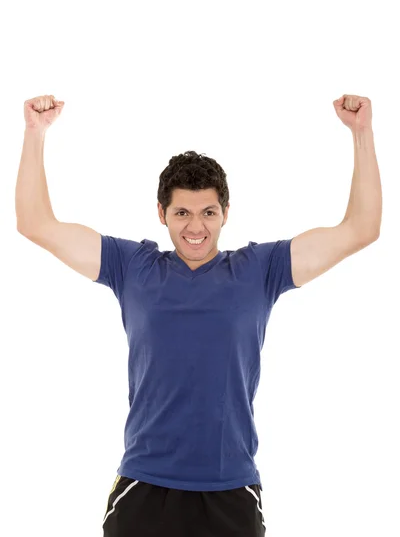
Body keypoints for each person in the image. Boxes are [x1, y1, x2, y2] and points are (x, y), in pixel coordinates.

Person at [16, 94, 381, 537]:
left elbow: (361, 228)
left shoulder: (259, 271)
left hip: (230, 490)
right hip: (145, 486)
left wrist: (361, 133)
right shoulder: (130, 266)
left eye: (208, 212)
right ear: (161, 214)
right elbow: (35, 222)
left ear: (226, 213)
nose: (195, 227)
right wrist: (35, 134)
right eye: (182, 213)